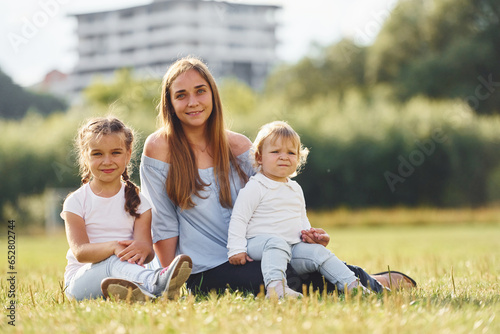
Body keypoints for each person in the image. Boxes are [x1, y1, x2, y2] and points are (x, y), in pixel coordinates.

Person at [140, 56, 416, 295]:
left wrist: (304, 236)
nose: (193, 102)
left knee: (308, 263)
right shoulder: (159, 148)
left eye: (200, 91)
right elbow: (163, 223)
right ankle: (373, 281)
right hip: (206, 267)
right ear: (170, 103)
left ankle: (366, 279)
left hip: (260, 250)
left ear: (213, 94)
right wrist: (170, 279)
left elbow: (273, 203)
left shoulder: (240, 148)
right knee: (288, 281)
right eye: (181, 95)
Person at [227, 121, 371, 298]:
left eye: (290, 153)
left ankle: (353, 286)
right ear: (259, 157)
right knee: (276, 243)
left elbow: (301, 219)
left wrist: (309, 236)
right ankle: (276, 290)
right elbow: (239, 219)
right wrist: (236, 249)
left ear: (298, 158)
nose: (284, 157)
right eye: (275, 152)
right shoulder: (256, 186)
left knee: (320, 253)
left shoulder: (295, 188)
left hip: (292, 246)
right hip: (259, 244)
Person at [61, 117, 192, 302]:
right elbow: (80, 252)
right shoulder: (75, 202)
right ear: (85, 156)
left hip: (125, 275)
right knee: (113, 261)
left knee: (122, 264)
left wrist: (143, 250)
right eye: (97, 154)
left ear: (128, 154)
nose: (107, 161)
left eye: (116, 152)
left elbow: (147, 252)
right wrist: (114, 247)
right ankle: (156, 283)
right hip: (81, 283)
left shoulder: (139, 202)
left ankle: (142, 294)